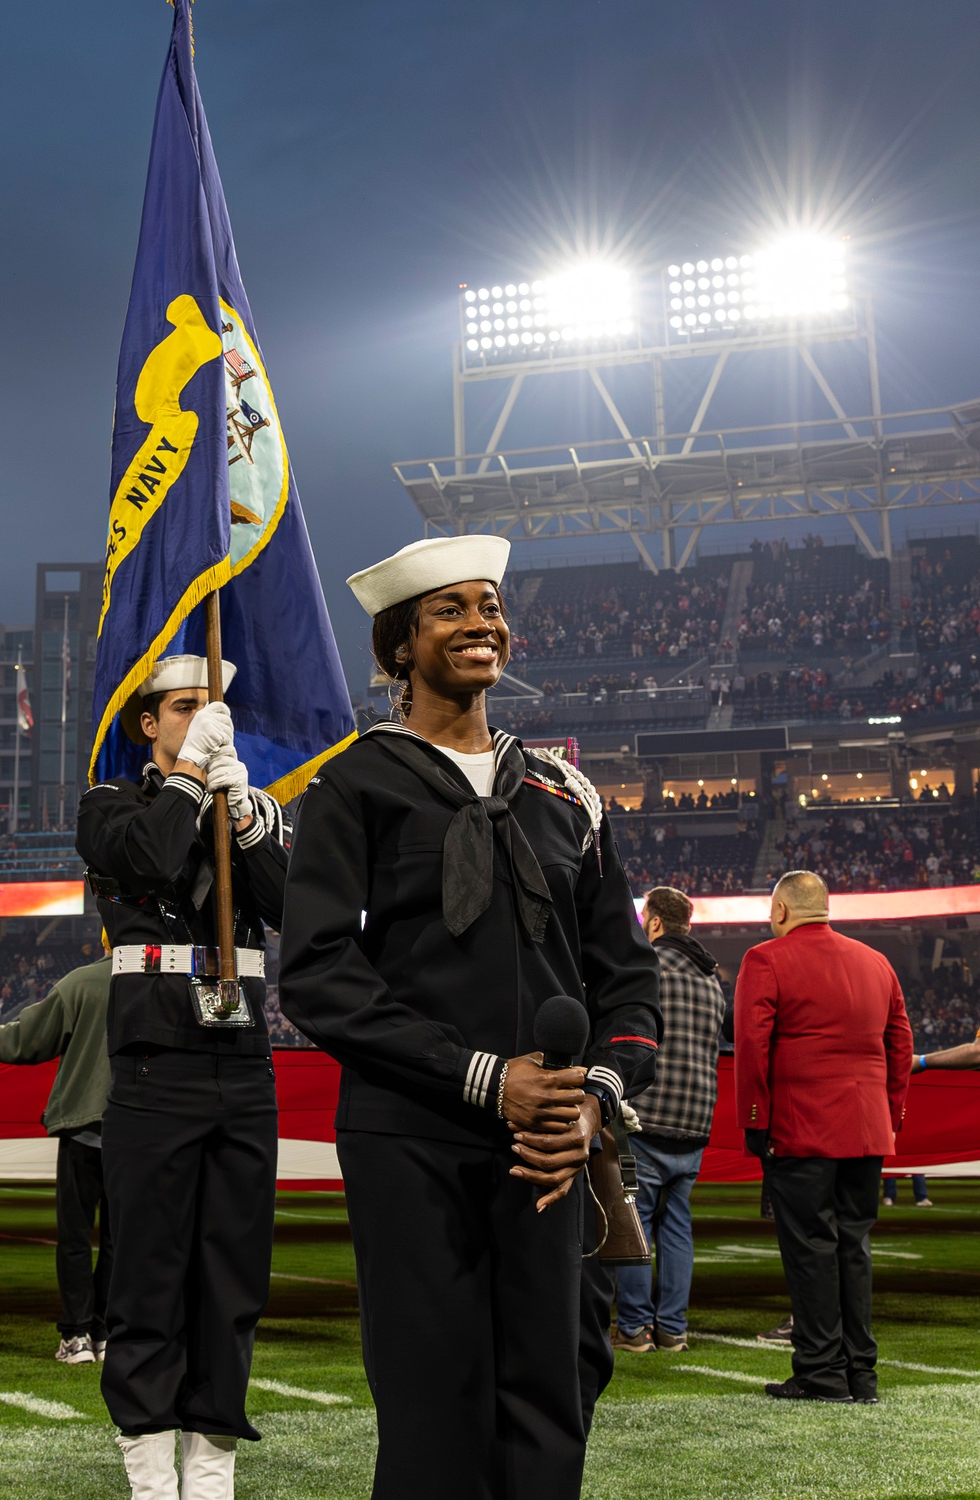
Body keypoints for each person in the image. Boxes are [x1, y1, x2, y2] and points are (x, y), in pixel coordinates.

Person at [278, 535, 662, 1500]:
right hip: (411, 1136)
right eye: (449, 609)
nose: (481, 622)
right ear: (398, 646)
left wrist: (592, 1105)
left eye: (489, 604)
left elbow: (629, 984)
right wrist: (486, 1077)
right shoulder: (350, 784)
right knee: (432, 1395)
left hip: (551, 1145)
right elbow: (319, 973)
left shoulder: (567, 793)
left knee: (557, 1384)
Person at [75, 653, 288, 1500]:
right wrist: (195, 776)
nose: (210, 715)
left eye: (217, 706)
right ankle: (150, 1468)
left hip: (243, 1065)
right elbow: (155, 859)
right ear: (149, 723)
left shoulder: (240, 804)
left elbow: (290, 903)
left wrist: (247, 823)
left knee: (233, 1272)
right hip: (155, 1065)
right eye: (189, 706)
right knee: (150, 1270)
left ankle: (212, 1465)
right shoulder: (110, 805)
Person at [734, 871, 913, 1404]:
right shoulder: (876, 962)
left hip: (802, 1129)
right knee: (853, 1247)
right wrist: (889, 1113)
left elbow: (751, 1045)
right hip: (866, 1131)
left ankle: (821, 1374)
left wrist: (754, 1120)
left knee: (811, 1249)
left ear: (782, 911)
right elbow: (900, 1043)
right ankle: (862, 1375)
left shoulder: (765, 959)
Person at [0, 954, 112, 1365]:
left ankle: (77, 1336)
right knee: (119, 1241)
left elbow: (27, 1040)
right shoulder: (162, 982)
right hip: (140, 1132)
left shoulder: (82, 982)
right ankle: (108, 1332)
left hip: (83, 1126)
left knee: (75, 1238)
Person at [614, 887, 726, 1354]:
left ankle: (635, 1329)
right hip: (697, 1119)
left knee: (635, 1221)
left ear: (655, 923)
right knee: (677, 1226)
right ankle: (673, 1329)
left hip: (651, 1115)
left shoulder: (650, 966)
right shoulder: (713, 978)